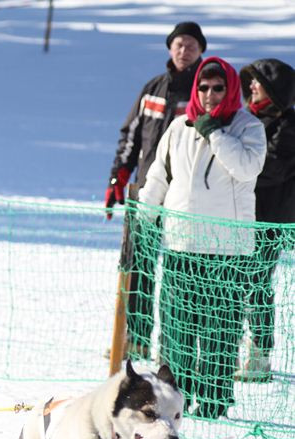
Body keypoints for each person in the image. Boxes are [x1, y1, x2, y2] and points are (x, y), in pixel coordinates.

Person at [138, 57, 267, 418]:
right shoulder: (179, 127)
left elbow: (247, 167)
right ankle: (175, 398)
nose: (209, 95)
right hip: (182, 244)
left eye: (218, 88)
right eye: (203, 88)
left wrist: (214, 131)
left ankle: (212, 402)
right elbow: (159, 176)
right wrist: (145, 215)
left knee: (218, 329)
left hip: (225, 248)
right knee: (177, 326)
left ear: (231, 90)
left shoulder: (248, 127)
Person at [104, 22, 206, 359]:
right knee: (139, 267)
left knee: (181, 274)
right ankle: (135, 338)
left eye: (191, 45)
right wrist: (118, 176)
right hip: (147, 191)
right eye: (178, 44)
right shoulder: (153, 88)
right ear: (169, 48)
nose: (184, 50)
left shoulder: (205, 89)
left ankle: (175, 346)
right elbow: (130, 136)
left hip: (185, 198)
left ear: (201, 50)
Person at [236, 59, 295, 381]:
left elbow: (271, 168)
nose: (252, 87)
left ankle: (260, 355)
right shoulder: (246, 118)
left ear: (274, 89)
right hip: (238, 216)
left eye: (259, 82)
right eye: (251, 82)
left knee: (256, 284)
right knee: (231, 283)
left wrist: (234, 170)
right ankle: (230, 348)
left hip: (268, 219)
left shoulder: (289, 124)